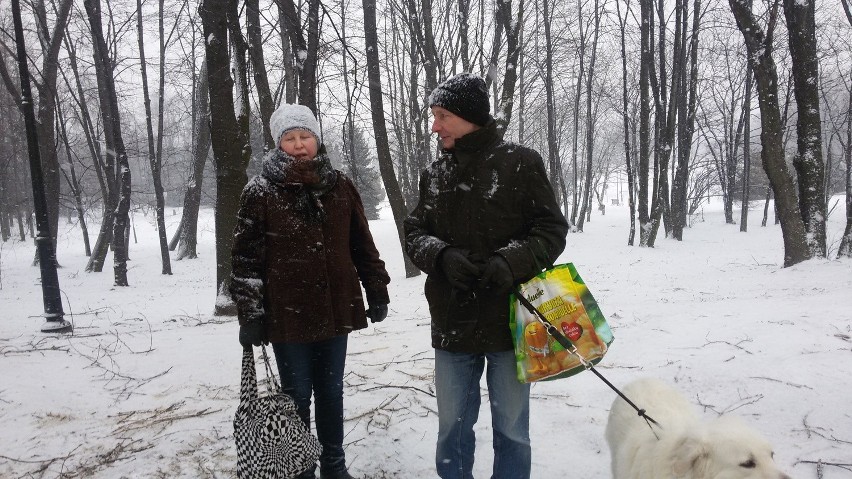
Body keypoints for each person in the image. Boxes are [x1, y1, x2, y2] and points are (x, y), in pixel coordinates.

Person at [404, 73, 569, 479]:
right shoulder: (434, 173)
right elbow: (414, 231)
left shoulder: (521, 163)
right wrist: (441, 255)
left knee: (512, 429)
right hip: (452, 320)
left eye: (442, 116)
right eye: (434, 116)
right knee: (452, 429)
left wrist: (511, 261)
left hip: (514, 321)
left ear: (469, 117)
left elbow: (551, 231)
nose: (434, 125)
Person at [230, 103, 390, 479]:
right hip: (288, 314)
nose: (299, 145)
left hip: (337, 308)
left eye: (306, 137)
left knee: (331, 395)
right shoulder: (260, 190)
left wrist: (377, 290)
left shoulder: (339, 184)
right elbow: (245, 258)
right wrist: (250, 313)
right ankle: (301, 468)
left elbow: (361, 244)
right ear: (278, 143)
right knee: (297, 396)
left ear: (316, 140)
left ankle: (335, 466)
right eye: (290, 138)